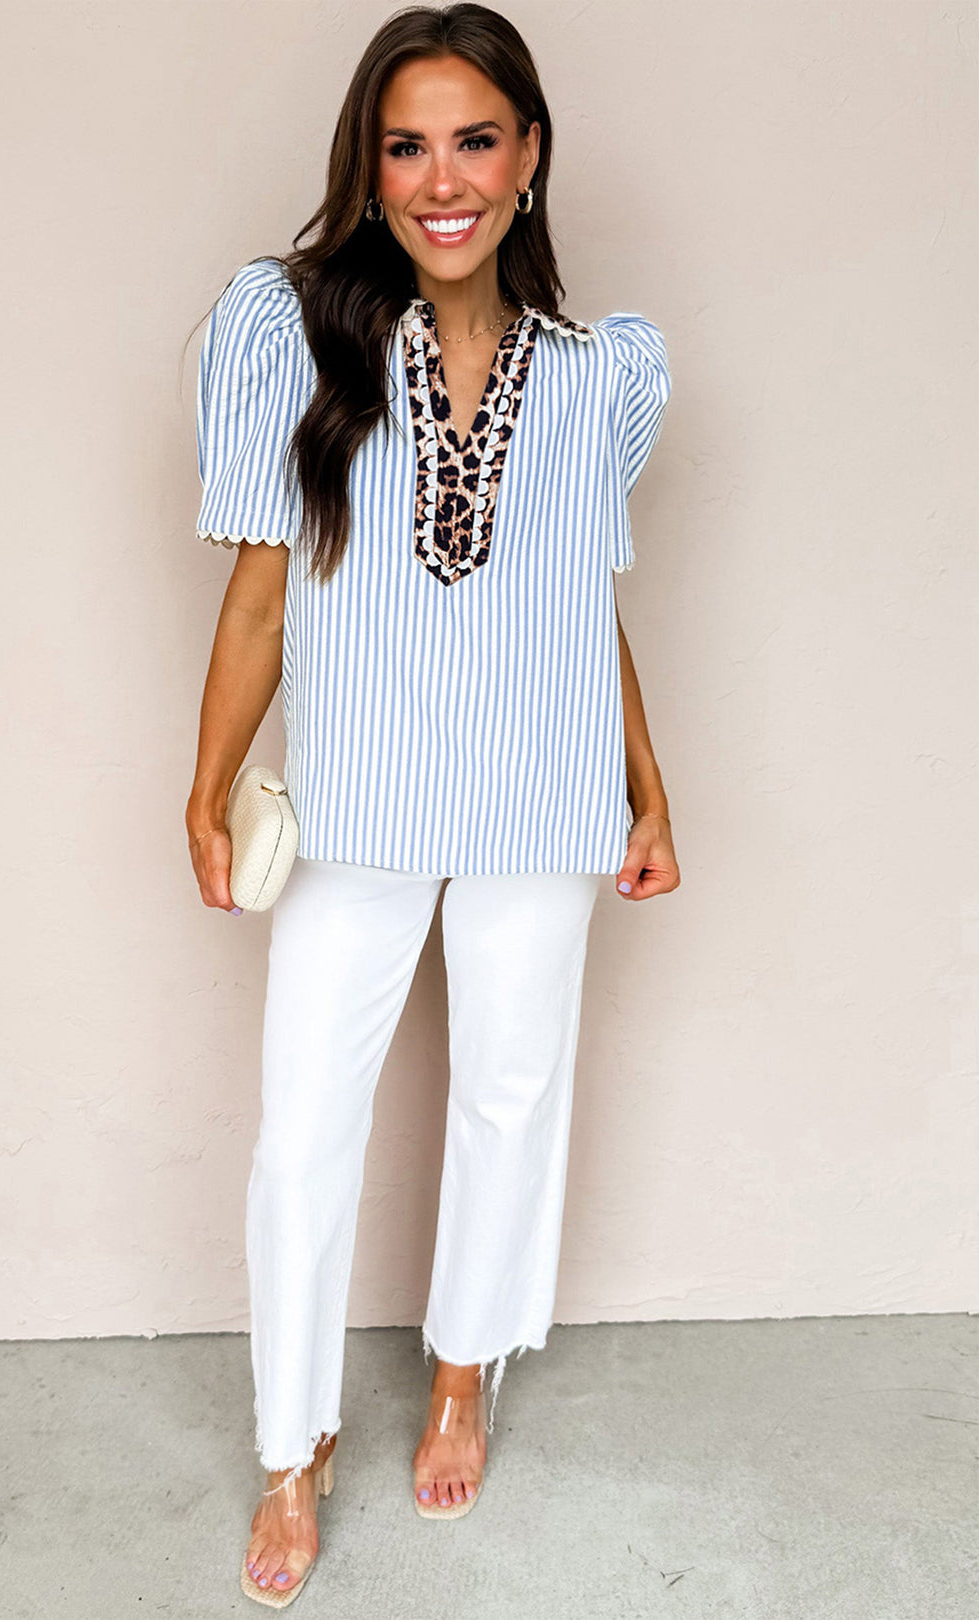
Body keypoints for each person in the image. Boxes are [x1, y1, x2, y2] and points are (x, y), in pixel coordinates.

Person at [185, 3, 680, 1605]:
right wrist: (204, 787)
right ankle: (293, 1441)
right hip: (358, 799)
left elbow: (578, 610)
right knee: (302, 1134)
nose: (442, 177)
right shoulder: (291, 333)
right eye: (408, 145)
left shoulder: (602, 378)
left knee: (512, 1094)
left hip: (542, 798)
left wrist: (646, 796)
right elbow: (263, 591)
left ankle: (465, 1364)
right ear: (372, 167)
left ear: (530, 160)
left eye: (476, 140)